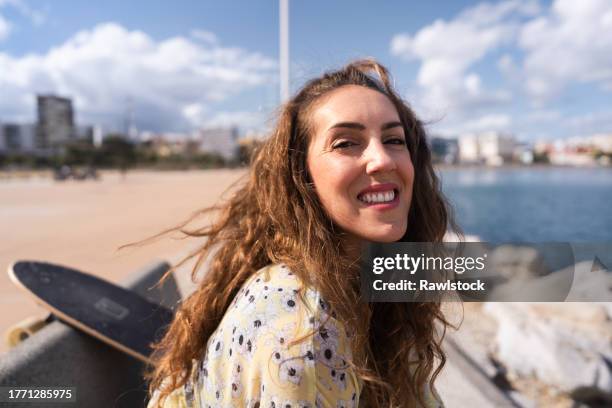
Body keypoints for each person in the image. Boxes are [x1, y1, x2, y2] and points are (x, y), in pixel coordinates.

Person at [146, 59, 455, 408]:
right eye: (346, 143)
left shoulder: (369, 278)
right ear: (301, 176)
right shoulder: (299, 329)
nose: (383, 160)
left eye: (394, 139)